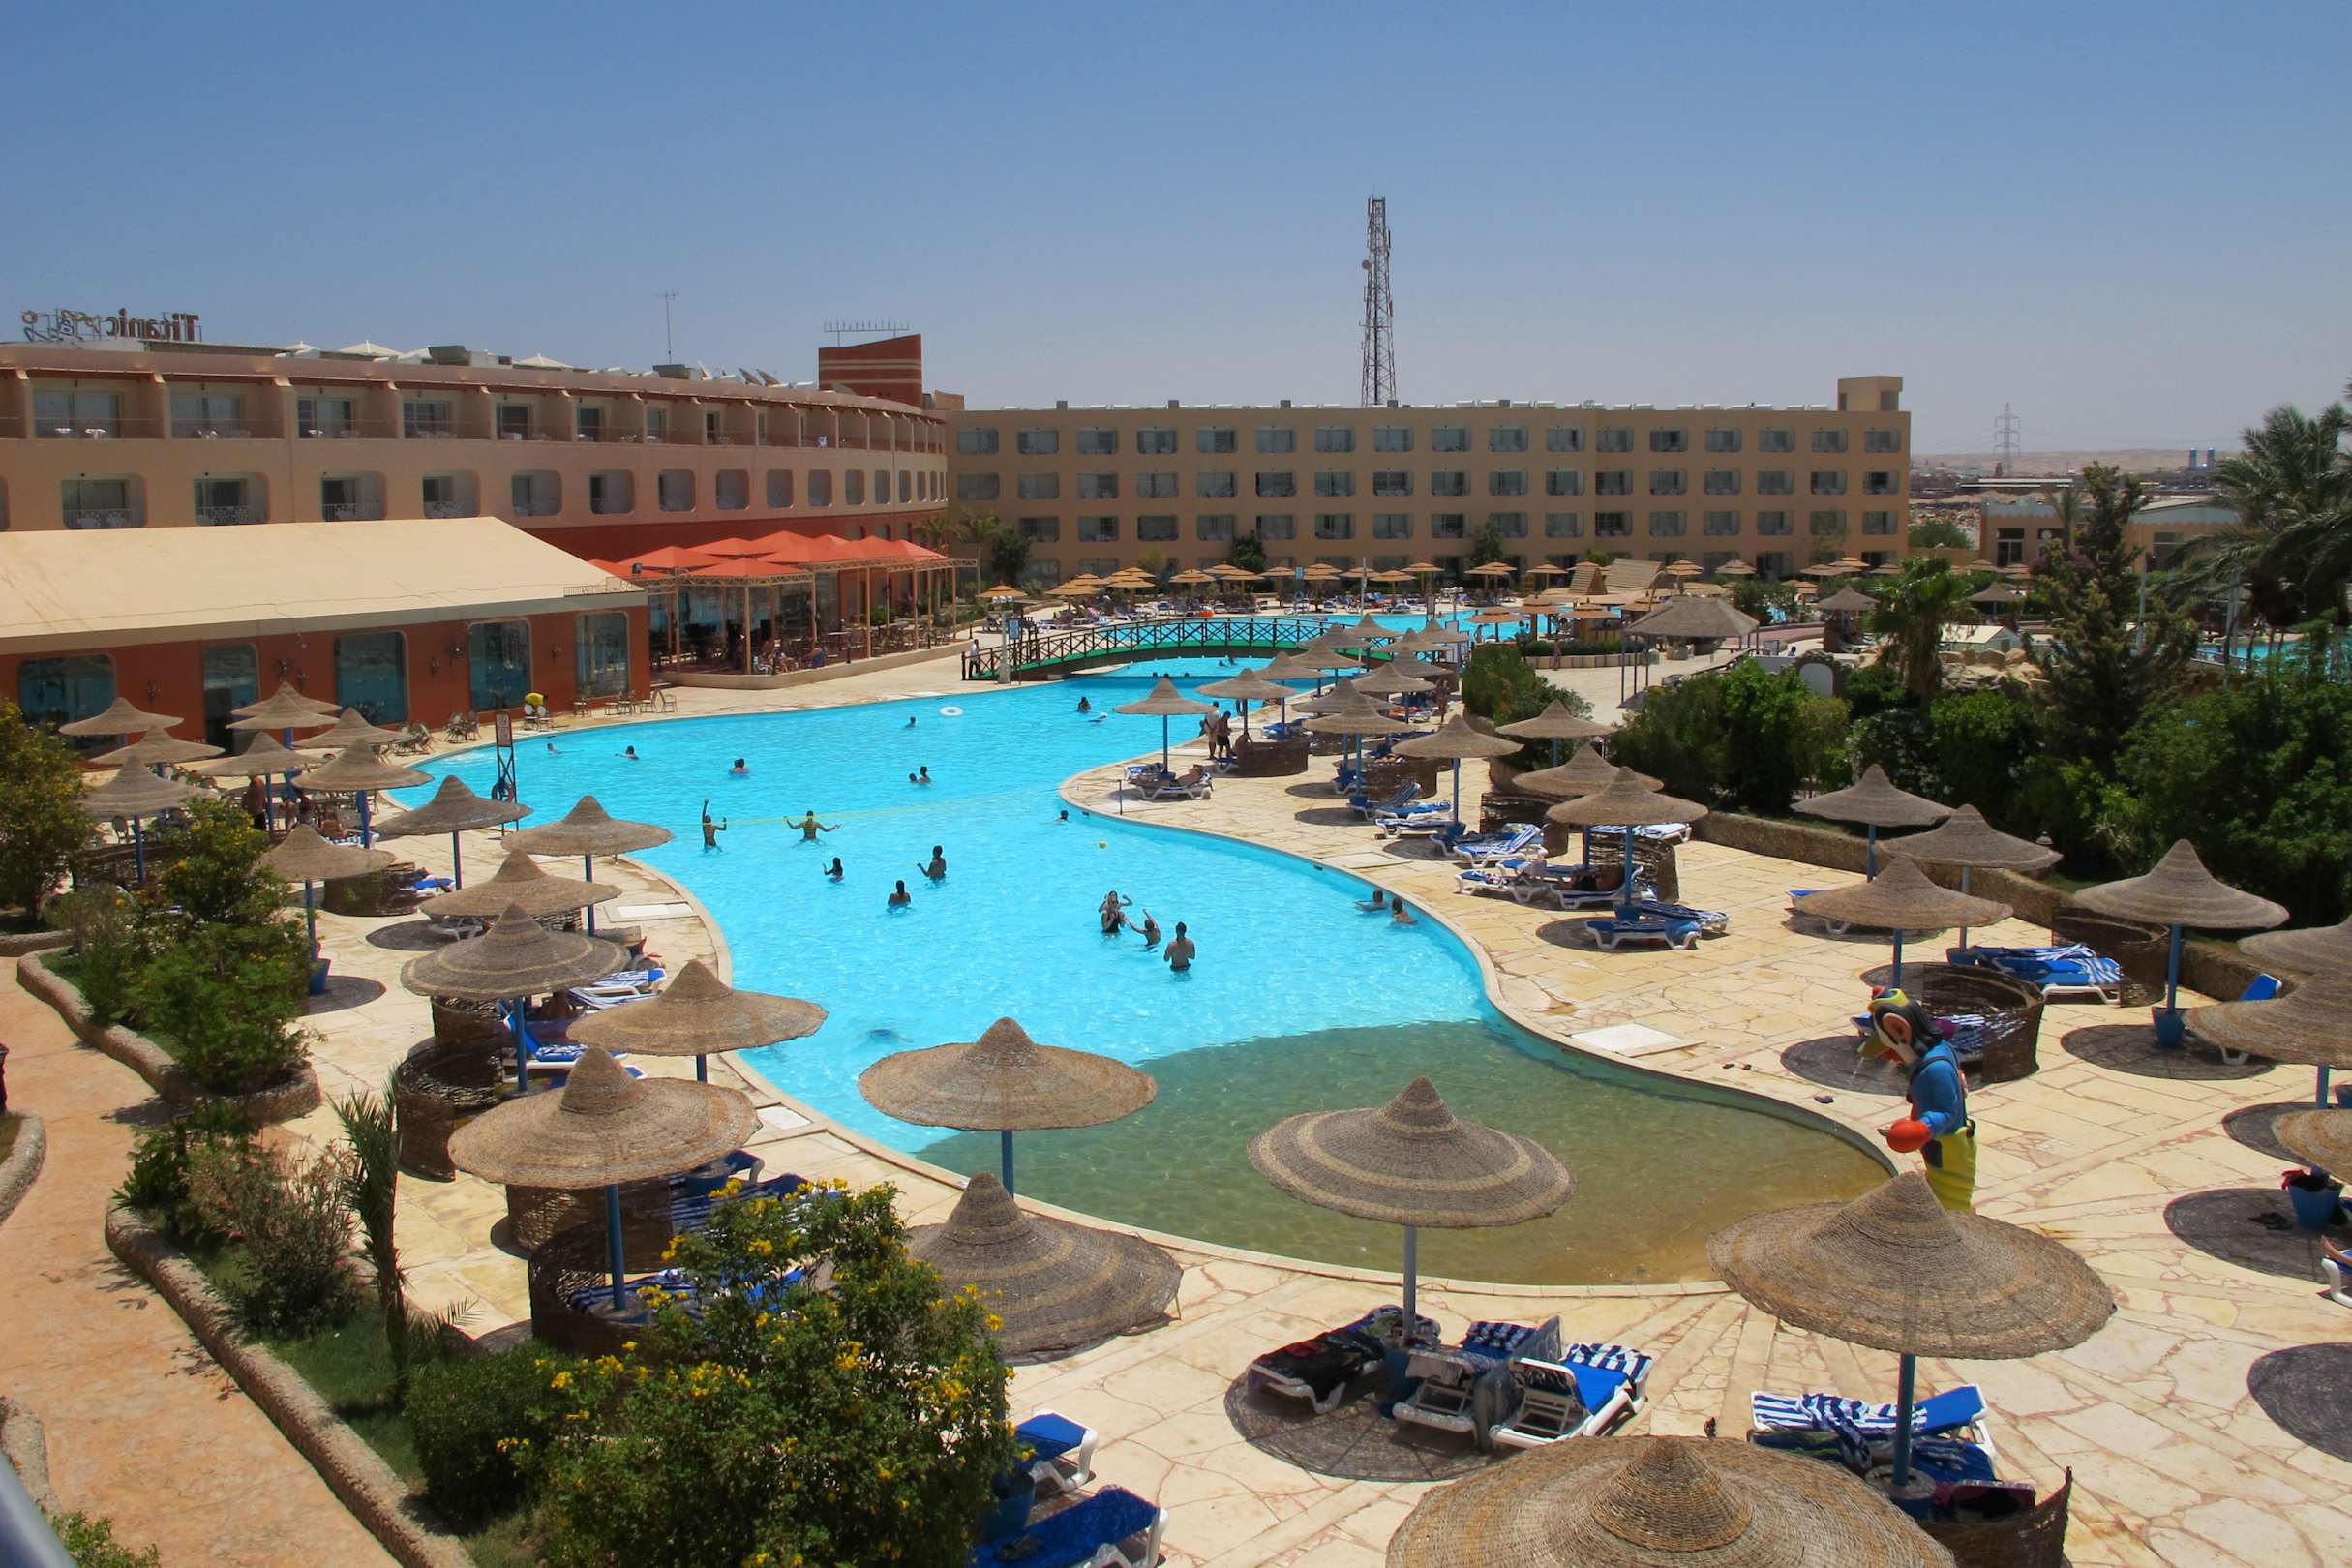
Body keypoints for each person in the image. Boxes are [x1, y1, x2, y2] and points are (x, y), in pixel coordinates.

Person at [1862, 988, 1975, 1213]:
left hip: (1949, 1144)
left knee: (1952, 1199)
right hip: (1940, 1144)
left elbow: (1947, 1112)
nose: (1888, 1055)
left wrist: (1921, 1128)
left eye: (1889, 1047)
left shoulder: (1935, 1068)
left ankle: (1963, 1225)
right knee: (1939, 1186)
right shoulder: (1939, 1049)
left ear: (1899, 1030)